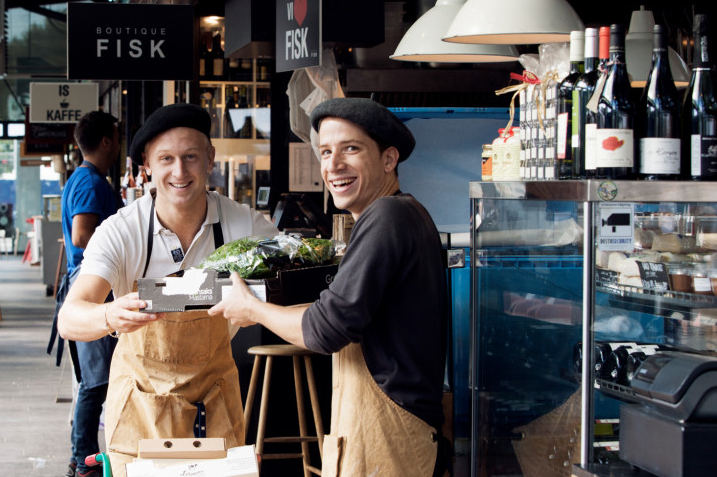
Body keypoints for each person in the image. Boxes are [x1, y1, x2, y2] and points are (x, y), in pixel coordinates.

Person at [209, 97, 448, 477]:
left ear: (389, 159)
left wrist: (251, 308)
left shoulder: (387, 216)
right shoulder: (404, 213)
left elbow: (325, 329)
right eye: (325, 152)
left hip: (391, 433)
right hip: (391, 427)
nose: (333, 166)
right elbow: (336, 315)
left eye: (350, 149)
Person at [57, 103, 279, 477]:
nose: (180, 171)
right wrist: (110, 314)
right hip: (141, 406)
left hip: (216, 402)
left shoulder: (243, 224)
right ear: (147, 163)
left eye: (191, 157)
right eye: (166, 158)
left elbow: (292, 279)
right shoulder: (121, 231)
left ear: (210, 158)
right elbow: (70, 317)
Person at [48, 111, 123, 477]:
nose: (120, 145)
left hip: (87, 284)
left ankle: (83, 459)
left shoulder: (84, 178)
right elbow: (80, 235)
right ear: (107, 140)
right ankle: (84, 463)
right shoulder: (92, 182)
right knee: (96, 382)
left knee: (94, 381)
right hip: (92, 286)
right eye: (118, 138)